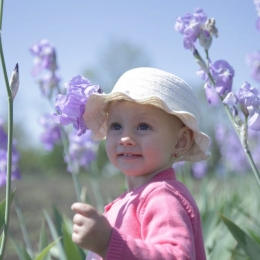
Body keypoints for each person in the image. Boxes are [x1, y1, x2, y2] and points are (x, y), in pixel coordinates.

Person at [71, 67, 210, 260]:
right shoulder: (134, 198)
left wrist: (108, 243)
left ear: (180, 141)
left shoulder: (163, 198)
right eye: (116, 126)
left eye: (143, 126)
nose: (125, 138)